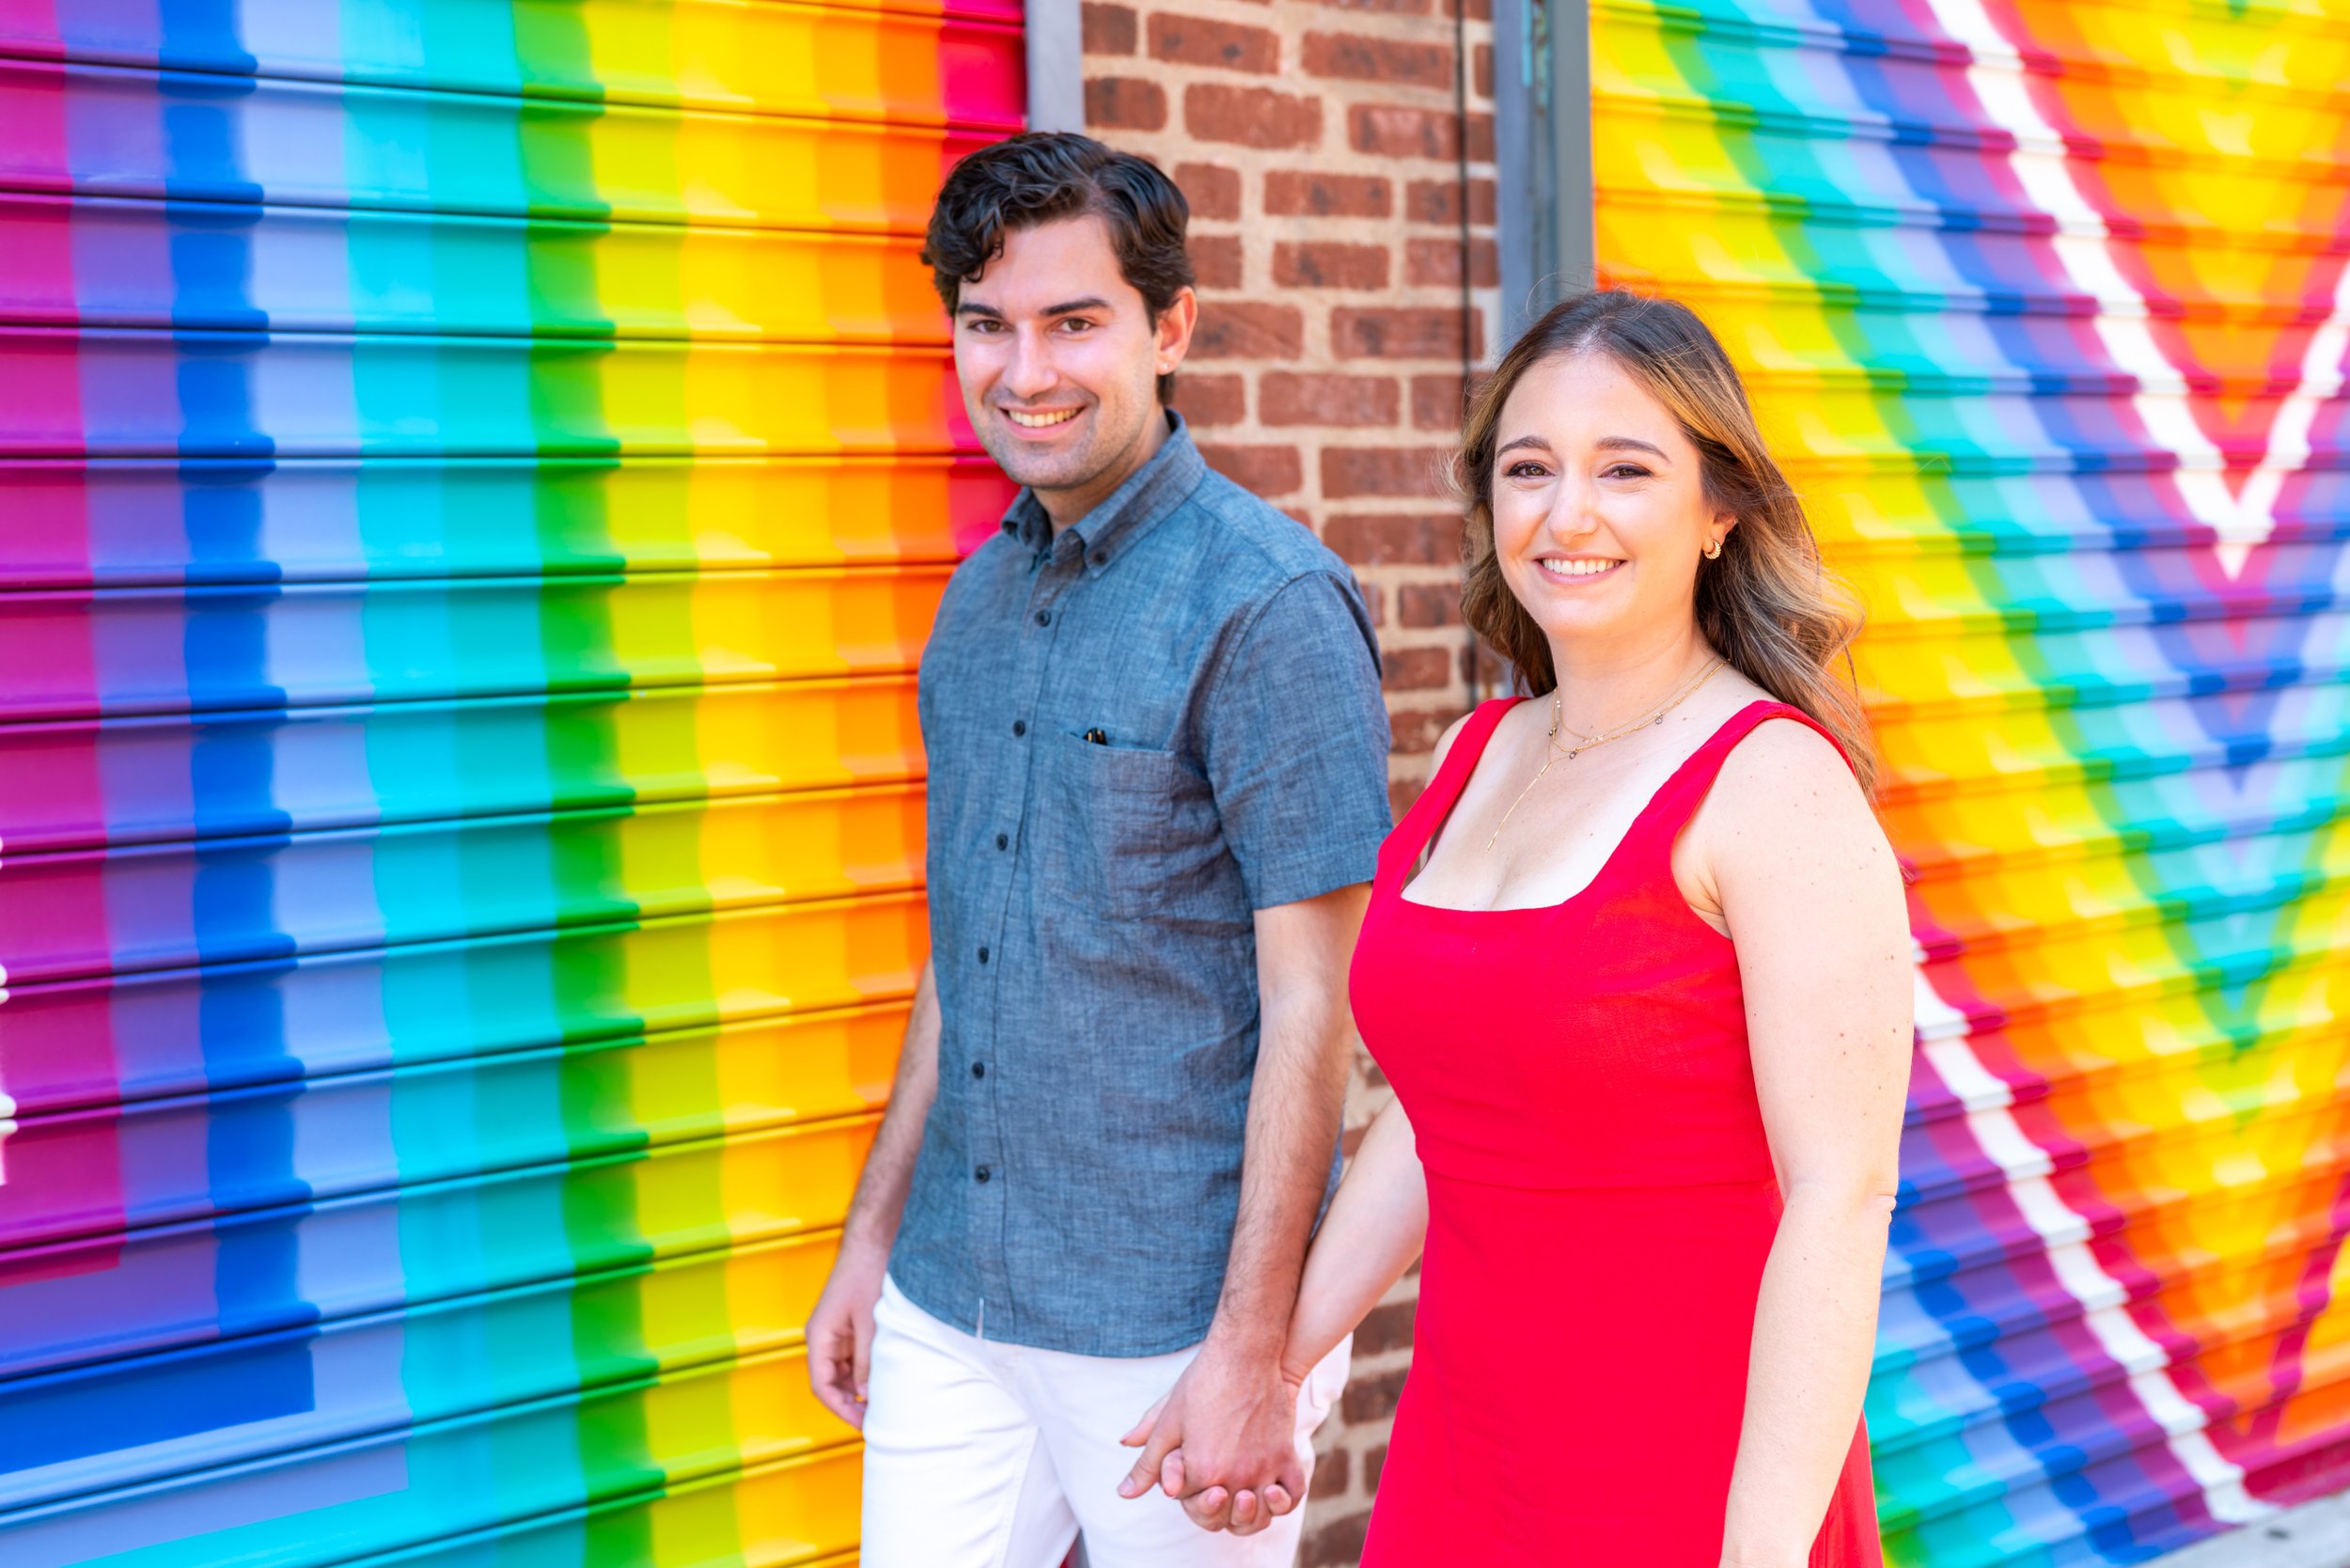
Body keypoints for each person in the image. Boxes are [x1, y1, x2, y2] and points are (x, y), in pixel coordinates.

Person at [1124, 290, 1914, 1565]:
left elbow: (1842, 1199)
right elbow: (1447, 1115)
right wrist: (1272, 1366)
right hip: (1467, 1457)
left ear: (1720, 513)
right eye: (1529, 468)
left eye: (1627, 469)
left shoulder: (1774, 787)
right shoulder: (1477, 751)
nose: (1568, 515)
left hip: (1691, 1473)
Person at [802, 132, 1394, 1568]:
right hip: (954, 1301)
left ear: (1168, 325)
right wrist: (874, 1239)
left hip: (1170, 1326)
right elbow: (969, 948)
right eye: (988, 327)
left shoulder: (1271, 609)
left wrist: (1258, 1349)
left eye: (1076, 322)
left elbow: (1318, 1013)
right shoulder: (977, 604)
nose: (1028, 372)